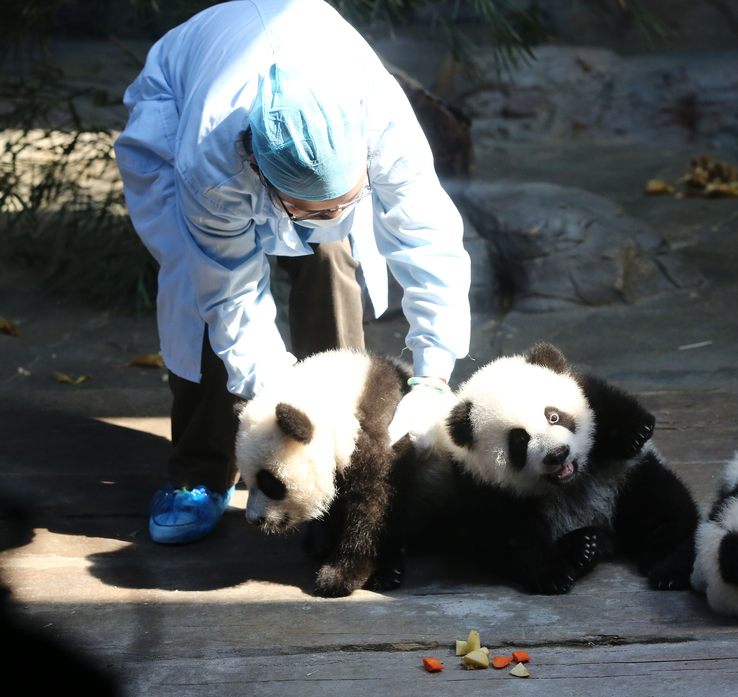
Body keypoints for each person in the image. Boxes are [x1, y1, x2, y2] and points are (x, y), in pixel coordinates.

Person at [114, 0, 471, 544]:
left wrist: (433, 376)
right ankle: (202, 470)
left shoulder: (381, 121)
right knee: (196, 288)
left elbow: (430, 240)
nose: (332, 216)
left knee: (331, 256)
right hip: (178, 100)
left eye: (346, 200)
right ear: (256, 168)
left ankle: (346, 451)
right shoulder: (211, 165)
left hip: (310, 92)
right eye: (311, 209)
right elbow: (230, 296)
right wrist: (279, 410)